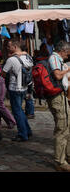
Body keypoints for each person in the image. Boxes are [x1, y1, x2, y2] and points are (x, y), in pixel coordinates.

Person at [2, 38, 33, 142]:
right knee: (20, 111)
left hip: (14, 88)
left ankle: (22, 134)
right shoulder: (28, 57)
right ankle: (27, 131)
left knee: (17, 112)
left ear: (15, 47)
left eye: (9, 46)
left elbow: (3, 73)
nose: (7, 48)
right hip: (25, 87)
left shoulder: (11, 59)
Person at [46, 41, 70, 172]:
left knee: (67, 125)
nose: (67, 56)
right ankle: (60, 162)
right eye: (67, 54)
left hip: (62, 96)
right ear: (63, 51)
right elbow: (57, 75)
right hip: (56, 97)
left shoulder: (57, 58)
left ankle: (67, 155)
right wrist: (68, 69)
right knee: (61, 128)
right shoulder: (54, 58)